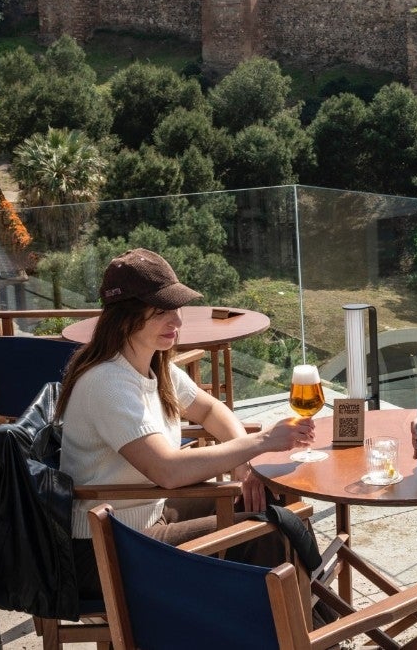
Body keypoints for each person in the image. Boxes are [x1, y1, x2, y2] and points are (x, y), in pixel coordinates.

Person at [56, 247, 315, 598]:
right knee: (268, 532)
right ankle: (298, 628)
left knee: (269, 495)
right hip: (107, 546)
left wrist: (244, 464)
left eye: (176, 309)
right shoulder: (107, 382)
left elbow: (210, 410)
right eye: (162, 311)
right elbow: (168, 471)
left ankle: (304, 618)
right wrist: (262, 440)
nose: (177, 321)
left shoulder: (151, 365)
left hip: (149, 513)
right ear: (125, 316)